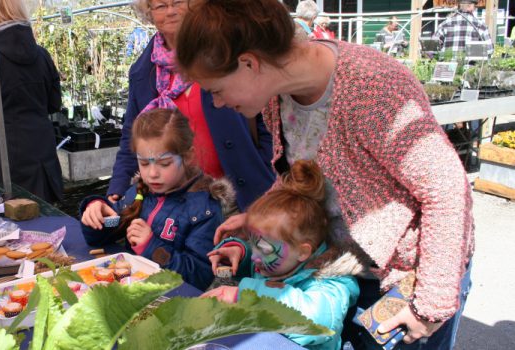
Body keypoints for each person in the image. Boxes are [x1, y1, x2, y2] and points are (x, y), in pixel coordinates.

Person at [175, 0, 473, 349]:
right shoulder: (279, 94)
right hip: (345, 267)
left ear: (249, 63)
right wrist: (259, 224)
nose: (218, 103)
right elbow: (308, 174)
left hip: (414, 276)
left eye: (215, 90)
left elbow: (447, 189)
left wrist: (429, 306)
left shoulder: (372, 87)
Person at [108, 0, 276, 212]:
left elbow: (268, 120)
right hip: (178, 204)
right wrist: (117, 188)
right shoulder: (143, 72)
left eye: (178, 2)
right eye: (160, 6)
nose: (170, 11)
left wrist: (266, 170)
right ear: (149, 13)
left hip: (238, 197)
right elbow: (131, 136)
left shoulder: (226, 52)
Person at [204, 160, 360, 350]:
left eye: (264, 249)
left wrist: (242, 296)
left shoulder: (331, 282)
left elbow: (316, 321)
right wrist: (240, 253)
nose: (255, 257)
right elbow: (259, 271)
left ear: (303, 251)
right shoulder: (278, 260)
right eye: (253, 244)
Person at [81, 109, 235, 290]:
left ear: (188, 156)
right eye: (144, 163)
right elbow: (100, 240)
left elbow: (200, 276)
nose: (152, 174)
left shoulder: (203, 208)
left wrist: (151, 247)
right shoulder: (138, 193)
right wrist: (97, 214)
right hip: (133, 293)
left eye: (164, 163)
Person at [0, 0, 63, 203]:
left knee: (9, 227)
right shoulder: (43, 56)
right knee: (46, 222)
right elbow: (54, 105)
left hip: (6, 162)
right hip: (41, 157)